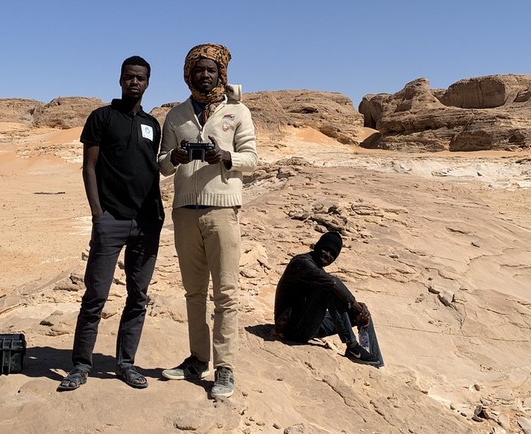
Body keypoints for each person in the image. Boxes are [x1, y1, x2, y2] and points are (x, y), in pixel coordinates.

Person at [58, 56, 164, 391]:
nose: (135, 82)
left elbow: (149, 167)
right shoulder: (101, 117)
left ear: (148, 83)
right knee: (96, 295)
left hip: (147, 223)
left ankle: (126, 363)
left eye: (141, 78)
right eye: (130, 77)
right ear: (120, 80)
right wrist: (97, 215)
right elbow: (89, 167)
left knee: (138, 296)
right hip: (112, 219)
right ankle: (80, 365)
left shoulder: (152, 124)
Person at [159, 43, 257, 399]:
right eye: (198, 69)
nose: (204, 75)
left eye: (210, 70)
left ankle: (225, 367)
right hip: (185, 212)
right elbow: (162, 165)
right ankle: (198, 359)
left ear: (221, 74)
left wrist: (225, 156)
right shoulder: (176, 115)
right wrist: (175, 155)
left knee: (226, 293)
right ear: (188, 74)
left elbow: (252, 159)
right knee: (194, 292)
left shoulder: (238, 111)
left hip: (222, 211)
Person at [274, 231, 384, 367]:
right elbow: (332, 283)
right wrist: (354, 305)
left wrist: (359, 310)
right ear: (317, 247)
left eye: (332, 254)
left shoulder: (317, 268)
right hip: (291, 329)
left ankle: (375, 362)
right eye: (325, 249)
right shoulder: (301, 263)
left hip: (308, 323)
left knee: (362, 315)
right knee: (329, 288)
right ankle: (352, 346)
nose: (327, 255)